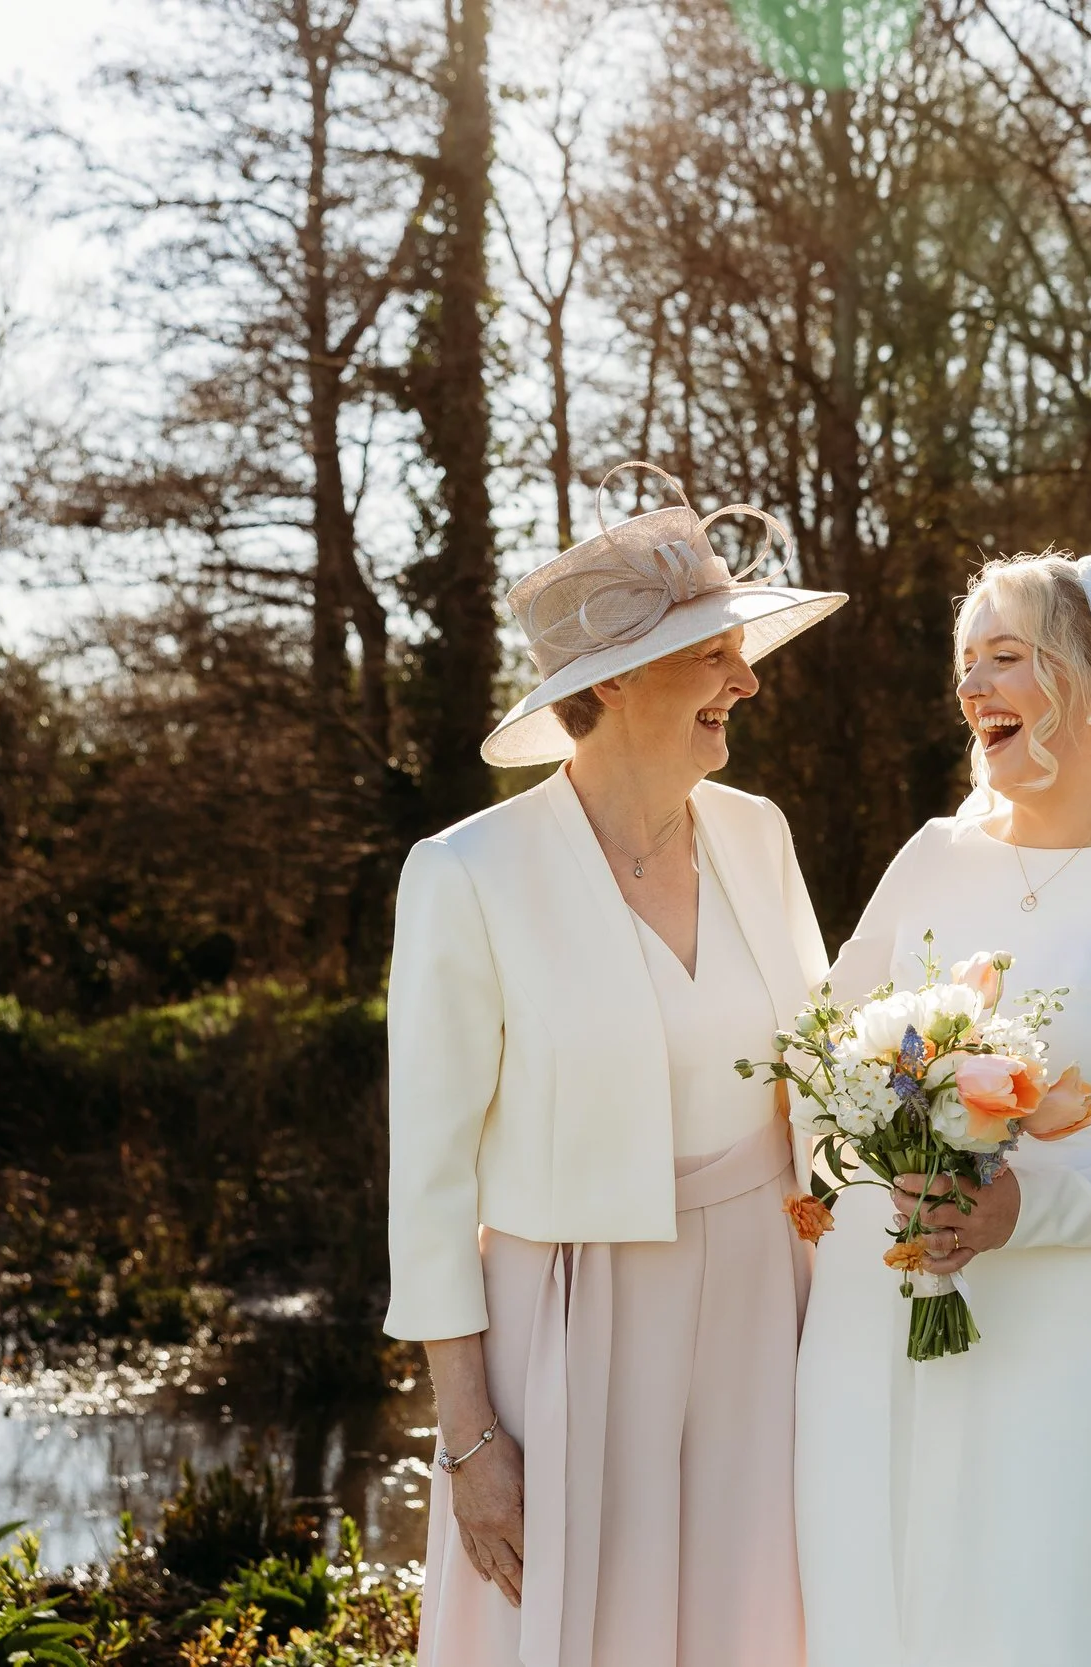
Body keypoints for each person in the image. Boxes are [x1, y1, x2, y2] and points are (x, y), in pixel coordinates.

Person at [384, 465, 845, 1667]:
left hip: (765, 1300)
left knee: (758, 1622)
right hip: (569, 1320)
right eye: (714, 657)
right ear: (617, 683)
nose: (746, 680)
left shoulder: (761, 832)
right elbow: (428, 1181)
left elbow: (818, 1071)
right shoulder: (466, 871)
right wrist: (470, 1435)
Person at [794, 550, 1091, 1667]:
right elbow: (818, 1061)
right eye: (966, 662)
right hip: (879, 1318)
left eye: (1007, 658)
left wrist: (1037, 1203)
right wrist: (876, 1154)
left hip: (1080, 1336)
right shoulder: (929, 856)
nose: (973, 687)